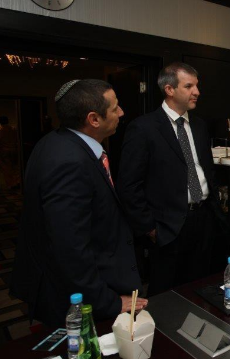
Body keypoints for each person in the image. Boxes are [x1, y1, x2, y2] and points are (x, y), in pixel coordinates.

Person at [10, 79, 147, 328]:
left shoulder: (57, 141)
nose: (121, 113)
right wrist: (108, 302)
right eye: (115, 108)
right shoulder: (69, 161)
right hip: (78, 300)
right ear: (93, 119)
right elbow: (70, 247)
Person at [118, 62, 220, 296]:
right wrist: (149, 227)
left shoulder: (199, 125)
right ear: (169, 89)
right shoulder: (143, 128)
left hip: (203, 218)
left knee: (201, 286)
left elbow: (206, 168)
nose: (197, 92)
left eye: (197, 85)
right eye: (189, 86)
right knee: (166, 292)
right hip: (167, 225)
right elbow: (129, 185)